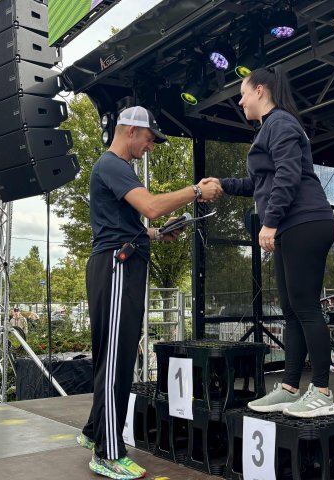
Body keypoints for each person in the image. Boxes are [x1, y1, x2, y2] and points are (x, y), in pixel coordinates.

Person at [77, 106, 222, 479]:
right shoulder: (112, 164)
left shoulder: (117, 168)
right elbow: (152, 206)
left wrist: (156, 234)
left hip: (120, 262)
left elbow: (127, 223)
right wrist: (196, 190)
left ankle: (95, 430)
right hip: (117, 266)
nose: (151, 147)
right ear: (130, 130)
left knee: (114, 357)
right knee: (116, 360)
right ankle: (108, 452)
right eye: (149, 139)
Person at [205, 66, 334, 418]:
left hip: (305, 221)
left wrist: (270, 221)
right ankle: (290, 388)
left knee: (305, 307)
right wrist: (222, 184)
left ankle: (322, 392)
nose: (240, 102)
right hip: (293, 225)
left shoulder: (280, 123)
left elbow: (288, 174)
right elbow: (259, 183)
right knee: (291, 310)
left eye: (243, 94)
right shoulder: (270, 128)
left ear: (260, 90)